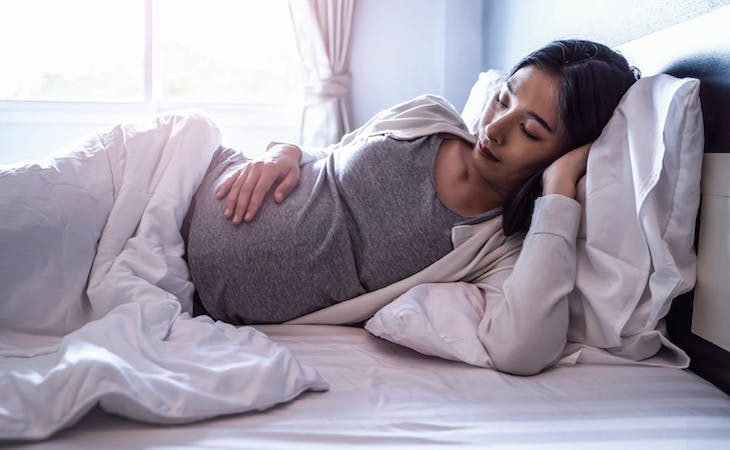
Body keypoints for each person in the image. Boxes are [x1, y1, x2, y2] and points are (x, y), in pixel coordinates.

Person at [182, 39, 639, 374]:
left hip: (196, 292)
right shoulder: (427, 115)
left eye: (531, 131)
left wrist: (559, 193)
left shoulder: (498, 249)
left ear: (564, 155)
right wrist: (282, 152)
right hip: (190, 185)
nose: (495, 127)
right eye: (503, 97)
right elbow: (327, 157)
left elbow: (521, 351)